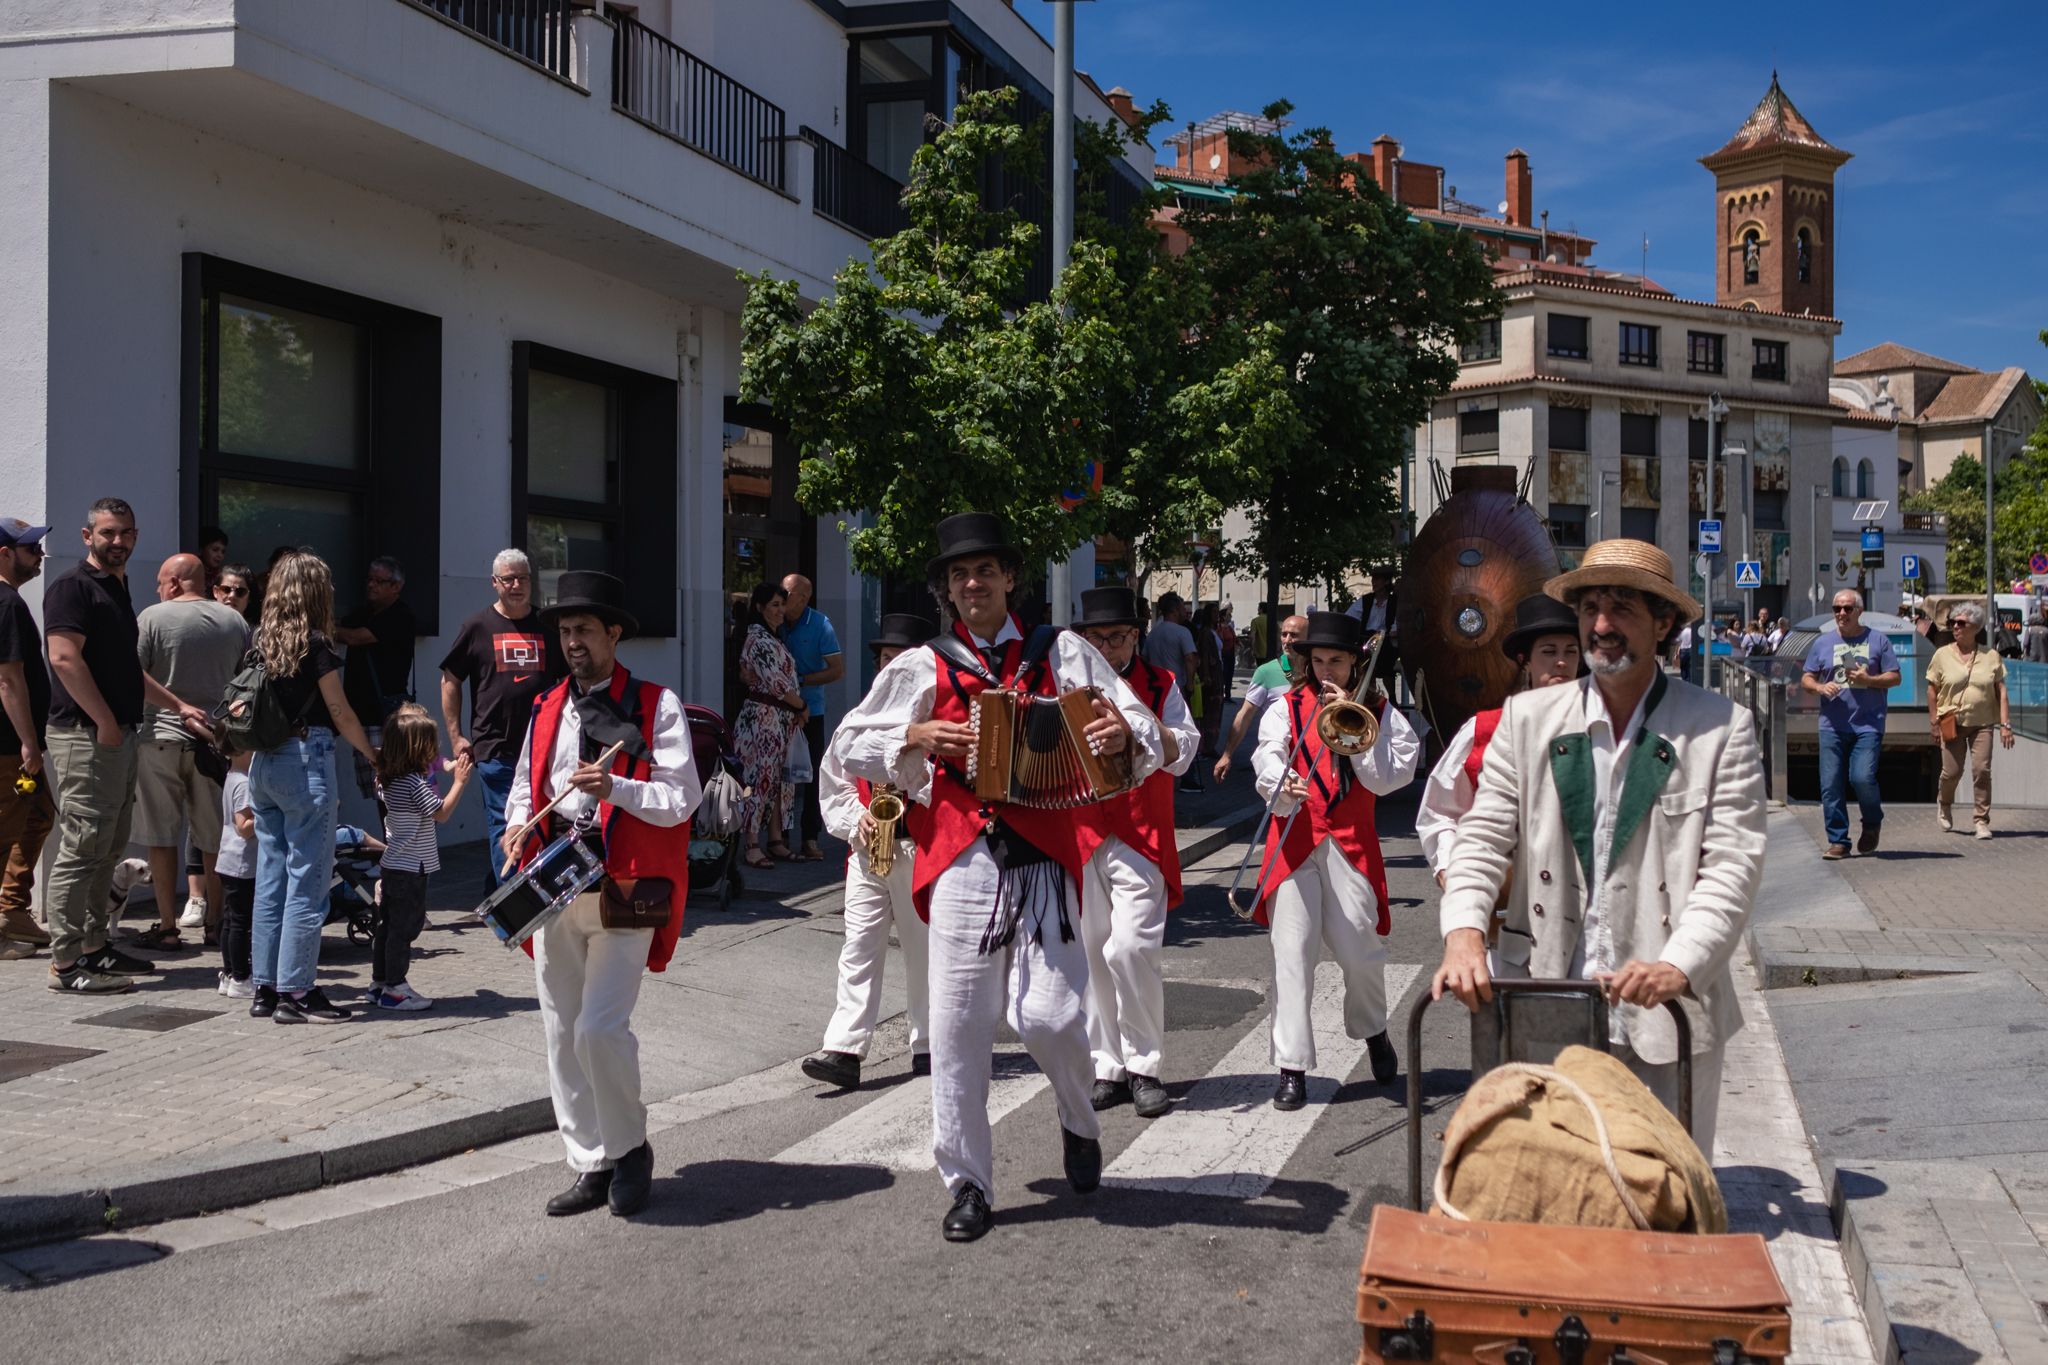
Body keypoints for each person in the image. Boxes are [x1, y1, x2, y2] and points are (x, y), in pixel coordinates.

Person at [833, 512, 1160, 1243]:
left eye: (984, 570)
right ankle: (969, 1181)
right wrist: (913, 734)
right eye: (958, 574)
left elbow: (1139, 724)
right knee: (956, 1026)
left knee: (1048, 1016)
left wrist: (1117, 731)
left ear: (1011, 578)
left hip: (1043, 852)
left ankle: (1078, 1115)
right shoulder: (924, 663)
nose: (971, 583)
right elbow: (850, 741)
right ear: (947, 589)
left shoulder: (1060, 652)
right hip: (960, 855)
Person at [1431, 539, 1769, 1155]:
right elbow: (1481, 836)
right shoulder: (1527, 718)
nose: (1602, 625)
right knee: (1549, 1193)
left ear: (1665, 623)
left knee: (1660, 1196)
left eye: (1622, 608)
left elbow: (1732, 866)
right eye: (1590, 609)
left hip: (1665, 1014)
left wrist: (1680, 963)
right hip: (1545, 998)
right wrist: (1463, 931)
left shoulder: (1721, 729)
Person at [501, 570, 700, 1219]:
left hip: (626, 880)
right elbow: (528, 784)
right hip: (554, 878)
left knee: (599, 1027)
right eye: (565, 630)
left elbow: (681, 798)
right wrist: (513, 825)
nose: (573, 641)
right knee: (561, 1030)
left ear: (614, 632)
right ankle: (590, 1159)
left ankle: (630, 1145)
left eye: (584, 629)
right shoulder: (546, 705)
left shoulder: (655, 705)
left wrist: (618, 789)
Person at [1251, 611, 1420, 1111]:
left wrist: (1361, 730)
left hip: (1349, 844)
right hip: (1295, 843)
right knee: (1293, 952)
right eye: (1318, 660)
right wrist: (1281, 782)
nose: (1327, 671)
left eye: (1337, 662)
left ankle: (1374, 1031)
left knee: (1359, 953)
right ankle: (1292, 1066)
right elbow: (1266, 755)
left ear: (1355, 664)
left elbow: (1391, 778)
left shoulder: (1382, 711)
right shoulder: (1285, 707)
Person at [43, 499, 211, 994]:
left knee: (109, 846)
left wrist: (177, 705)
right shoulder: (72, 588)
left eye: (126, 534)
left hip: (116, 733)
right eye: (108, 533)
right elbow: (63, 658)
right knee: (81, 849)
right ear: (87, 534)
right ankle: (66, 963)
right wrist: (103, 722)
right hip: (85, 736)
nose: (117, 542)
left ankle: (95, 948)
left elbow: (124, 670)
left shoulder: (114, 588)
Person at [1072, 587, 1199, 1118]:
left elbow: (1185, 751)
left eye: (1118, 637)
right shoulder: (1063, 688)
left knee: (1129, 947)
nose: (1109, 647)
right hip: (1079, 831)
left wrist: (1145, 735)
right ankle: (1108, 1066)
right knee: (1092, 948)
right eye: (1097, 638)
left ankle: (1144, 1065)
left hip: (1140, 831)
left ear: (1135, 636)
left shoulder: (1161, 684)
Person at [799, 614, 937, 1090]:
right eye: (883, 660)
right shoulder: (856, 723)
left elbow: (947, 792)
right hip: (868, 850)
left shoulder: (932, 728)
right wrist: (853, 815)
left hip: (920, 848)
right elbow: (832, 782)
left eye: (899, 661)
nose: (889, 669)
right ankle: (844, 1048)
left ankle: (928, 1043)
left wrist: (911, 776)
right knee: (858, 947)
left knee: (922, 951)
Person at [245, 552, 379, 1025]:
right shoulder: (317, 645)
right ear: (317, 593)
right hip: (307, 761)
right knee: (309, 882)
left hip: (263, 766)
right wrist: (371, 753)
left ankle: (264, 987)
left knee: (271, 880)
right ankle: (297, 993)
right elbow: (339, 712)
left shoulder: (260, 641)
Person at [1416, 594, 1584, 895]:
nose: (1562, 661)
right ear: (1525, 660)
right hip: (1504, 905)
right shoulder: (1483, 729)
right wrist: (1448, 867)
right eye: (1549, 651)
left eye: (1571, 651)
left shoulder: (1600, 728)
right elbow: (1440, 811)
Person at [132, 552, 248, 950]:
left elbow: (134, 674)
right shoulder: (234, 621)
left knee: (162, 837)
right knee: (214, 838)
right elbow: (245, 686)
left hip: (158, 737)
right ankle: (216, 923)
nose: (158, 588)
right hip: (214, 744)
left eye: (162, 580)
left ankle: (167, 927)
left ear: (178, 581)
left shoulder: (150, 617)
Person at [440, 549, 566, 890]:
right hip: (496, 748)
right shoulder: (477, 627)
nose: (516, 585)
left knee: (540, 822)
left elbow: (570, 684)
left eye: (523, 578)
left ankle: (505, 886)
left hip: (544, 748)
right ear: (495, 583)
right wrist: (456, 736)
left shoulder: (548, 627)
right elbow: (450, 679)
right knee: (505, 823)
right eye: (508, 579)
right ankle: (512, 906)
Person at [368, 704, 472, 1010]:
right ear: (416, 748)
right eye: (430, 744)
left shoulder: (388, 778)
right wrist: (461, 783)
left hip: (394, 865)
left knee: (387, 928)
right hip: (412, 867)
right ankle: (395, 988)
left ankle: (379, 983)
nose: (434, 750)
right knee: (405, 928)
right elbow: (441, 813)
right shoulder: (414, 783)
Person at [1799, 589, 1901, 859]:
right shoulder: (1823, 643)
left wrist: (1870, 681)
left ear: (1859, 611)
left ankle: (1872, 822)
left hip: (1868, 724)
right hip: (1832, 724)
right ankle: (1838, 841)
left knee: (1862, 777)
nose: (1841, 613)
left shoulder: (1878, 640)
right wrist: (1820, 687)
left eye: (1846, 608)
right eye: (1836, 608)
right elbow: (1806, 678)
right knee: (1830, 785)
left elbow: (1895, 677)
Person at [0, 519, 54, 959]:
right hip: (8, 747)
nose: (39, 554)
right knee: (8, 831)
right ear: (4, 553)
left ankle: (12, 908)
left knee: (38, 815)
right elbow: (9, 679)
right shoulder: (7, 604)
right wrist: (28, 744)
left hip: (11, 745)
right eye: (30, 547)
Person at [1926, 602, 2013, 840]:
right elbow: (1932, 690)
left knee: (1981, 770)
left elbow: (2001, 692)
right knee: (1951, 772)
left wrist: (2006, 725)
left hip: (1983, 722)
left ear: (1975, 627)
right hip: (1951, 721)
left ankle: (1981, 820)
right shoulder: (1942, 655)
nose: (1955, 627)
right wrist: (1934, 721)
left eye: (1961, 623)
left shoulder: (1991, 656)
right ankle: (1944, 803)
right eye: (1953, 622)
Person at [734, 582, 804, 868]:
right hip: (762, 720)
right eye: (774, 605)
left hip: (778, 719)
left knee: (778, 781)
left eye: (781, 604)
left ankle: (775, 839)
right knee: (758, 780)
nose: (780, 610)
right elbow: (776, 684)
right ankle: (752, 844)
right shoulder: (759, 639)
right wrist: (802, 706)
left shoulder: (774, 638)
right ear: (760, 608)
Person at [336, 556, 418, 800]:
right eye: (369, 580)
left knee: (392, 789)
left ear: (396, 586)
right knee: (377, 791)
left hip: (385, 717)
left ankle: (397, 839)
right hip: (360, 715)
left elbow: (355, 637)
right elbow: (342, 625)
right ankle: (391, 838)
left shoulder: (401, 615)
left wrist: (315, 630)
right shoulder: (365, 612)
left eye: (379, 581)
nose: (371, 585)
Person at [779, 573, 843, 862]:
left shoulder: (820, 625)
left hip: (810, 712)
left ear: (803, 598)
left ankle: (809, 837)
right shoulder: (775, 621)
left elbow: (836, 669)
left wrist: (801, 681)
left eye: (787, 593)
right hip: (777, 712)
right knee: (780, 775)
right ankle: (777, 837)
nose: (780, 598)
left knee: (812, 774)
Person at [1214, 614, 1307, 782]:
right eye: (1284, 634)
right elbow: (1245, 715)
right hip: (1279, 757)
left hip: (1310, 755)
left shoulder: (1318, 671)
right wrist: (1227, 754)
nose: (1287, 640)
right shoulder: (1266, 672)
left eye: (1294, 635)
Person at [213, 751, 256, 997]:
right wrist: (270, 811)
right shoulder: (244, 782)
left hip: (229, 859)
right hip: (242, 863)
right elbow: (244, 828)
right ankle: (240, 977)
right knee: (240, 922)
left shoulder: (232, 776)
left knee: (231, 920)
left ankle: (230, 975)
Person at [197, 526, 229, 595]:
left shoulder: (221, 577)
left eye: (223, 552)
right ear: (201, 550)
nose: (220, 555)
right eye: (215, 550)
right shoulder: (193, 574)